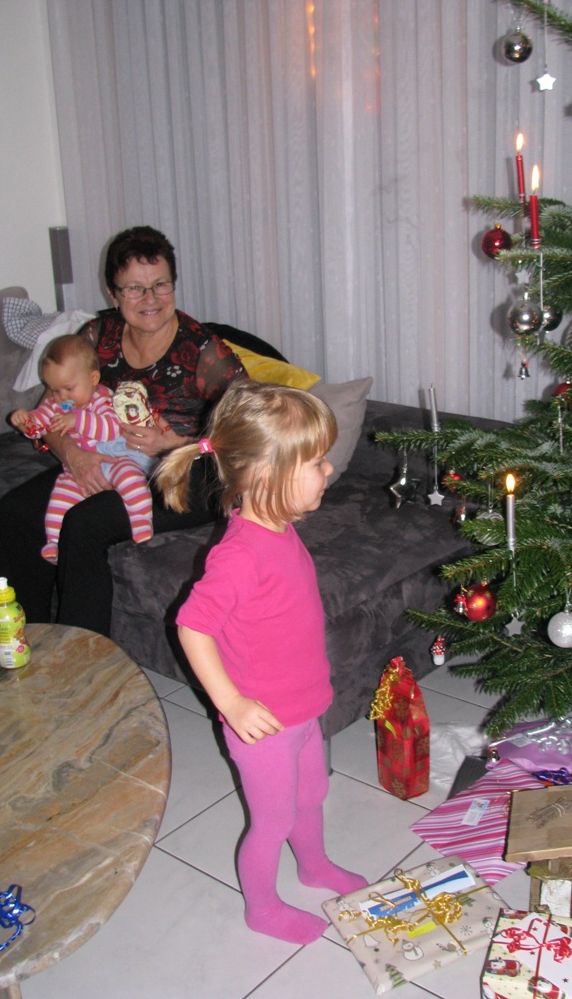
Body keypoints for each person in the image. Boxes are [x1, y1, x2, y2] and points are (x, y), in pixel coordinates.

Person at [157, 381, 368, 944]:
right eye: (317, 462)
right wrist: (231, 703)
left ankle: (314, 866)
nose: (329, 470)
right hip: (264, 724)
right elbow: (192, 626)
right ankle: (262, 907)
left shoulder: (278, 528)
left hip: (302, 707)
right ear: (269, 475)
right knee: (272, 820)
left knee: (311, 795)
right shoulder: (240, 554)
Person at [0, 225, 246, 635]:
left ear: (174, 285)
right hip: (106, 457)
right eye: (134, 288)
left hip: (186, 472)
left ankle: (80, 657)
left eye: (160, 284)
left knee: (84, 523)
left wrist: (178, 443)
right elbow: (54, 407)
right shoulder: (98, 336)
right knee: (16, 511)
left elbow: (250, 435)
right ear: (113, 294)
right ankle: (26, 644)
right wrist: (72, 454)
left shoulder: (205, 352)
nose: (150, 299)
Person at [10, 334, 158, 562]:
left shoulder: (103, 398)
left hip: (115, 459)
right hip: (79, 467)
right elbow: (40, 426)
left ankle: (140, 519)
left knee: (132, 479)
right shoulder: (56, 404)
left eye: (68, 388)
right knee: (60, 496)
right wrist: (25, 422)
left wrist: (77, 420)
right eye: (54, 390)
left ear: (93, 378)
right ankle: (54, 542)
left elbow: (112, 429)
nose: (61, 397)